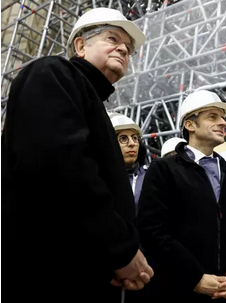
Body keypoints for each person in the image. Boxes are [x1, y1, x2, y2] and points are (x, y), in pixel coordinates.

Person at [1, 8, 153, 303]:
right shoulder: (52, 73)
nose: (123, 48)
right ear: (81, 46)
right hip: (50, 279)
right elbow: (59, 167)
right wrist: (121, 248)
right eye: (113, 38)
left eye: (129, 49)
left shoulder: (90, 102)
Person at [137, 90, 226, 302]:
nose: (223, 123)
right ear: (190, 125)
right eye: (213, 116)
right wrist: (194, 278)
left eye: (222, 117)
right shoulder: (164, 170)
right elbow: (153, 231)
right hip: (180, 291)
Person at [110, 113, 148, 213]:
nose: (132, 143)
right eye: (123, 138)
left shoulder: (151, 177)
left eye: (135, 138)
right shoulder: (99, 181)